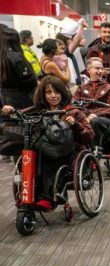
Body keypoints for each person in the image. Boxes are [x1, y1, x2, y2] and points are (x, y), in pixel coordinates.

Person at [2, 76, 93, 210]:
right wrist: (10, 111)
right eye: (49, 92)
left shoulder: (73, 111)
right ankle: (28, 196)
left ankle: (47, 198)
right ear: (43, 95)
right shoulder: (37, 111)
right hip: (43, 150)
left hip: (69, 152)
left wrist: (75, 125)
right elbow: (18, 115)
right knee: (30, 156)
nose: (53, 96)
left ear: (63, 93)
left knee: (47, 158)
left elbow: (89, 136)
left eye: (57, 92)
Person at [73, 57, 110, 153]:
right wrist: (82, 116)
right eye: (97, 68)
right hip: (84, 117)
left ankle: (95, 150)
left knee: (95, 121)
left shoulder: (109, 88)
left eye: (101, 68)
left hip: (104, 118)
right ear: (89, 70)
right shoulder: (81, 88)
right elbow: (74, 105)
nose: (100, 71)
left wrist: (97, 114)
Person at [0, 25, 37, 109]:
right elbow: (30, 81)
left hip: (6, 98)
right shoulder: (16, 58)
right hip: (22, 98)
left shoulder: (3, 57)